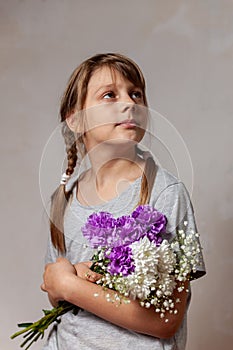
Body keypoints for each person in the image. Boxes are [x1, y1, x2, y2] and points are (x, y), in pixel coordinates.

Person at [41, 53, 206, 350]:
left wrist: (72, 283)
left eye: (136, 94)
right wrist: (65, 283)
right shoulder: (63, 201)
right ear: (76, 120)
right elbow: (56, 293)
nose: (129, 103)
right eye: (109, 95)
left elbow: (165, 320)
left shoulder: (166, 194)